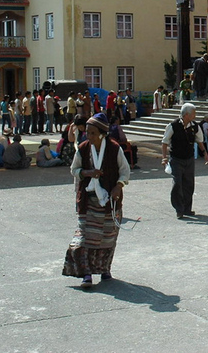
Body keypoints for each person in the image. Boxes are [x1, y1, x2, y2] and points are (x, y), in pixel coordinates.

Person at [63, 113, 130, 288]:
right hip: (88, 201)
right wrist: (87, 173)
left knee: (107, 237)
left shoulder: (115, 149)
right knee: (84, 239)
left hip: (109, 201)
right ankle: (86, 274)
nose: (88, 136)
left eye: (92, 133)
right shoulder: (84, 149)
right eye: (88, 132)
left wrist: (118, 186)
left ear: (102, 134)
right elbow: (74, 169)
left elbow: (125, 171)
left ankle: (104, 269)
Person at [161, 103, 208, 219]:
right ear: (187, 114)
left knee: (189, 184)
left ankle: (187, 209)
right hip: (176, 159)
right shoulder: (173, 126)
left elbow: (199, 141)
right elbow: (165, 142)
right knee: (177, 183)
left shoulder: (195, 126)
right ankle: (179, 209)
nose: (195, 115)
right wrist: (164, 157)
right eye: (193, 113)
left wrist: (205, 154)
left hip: (189, 158)